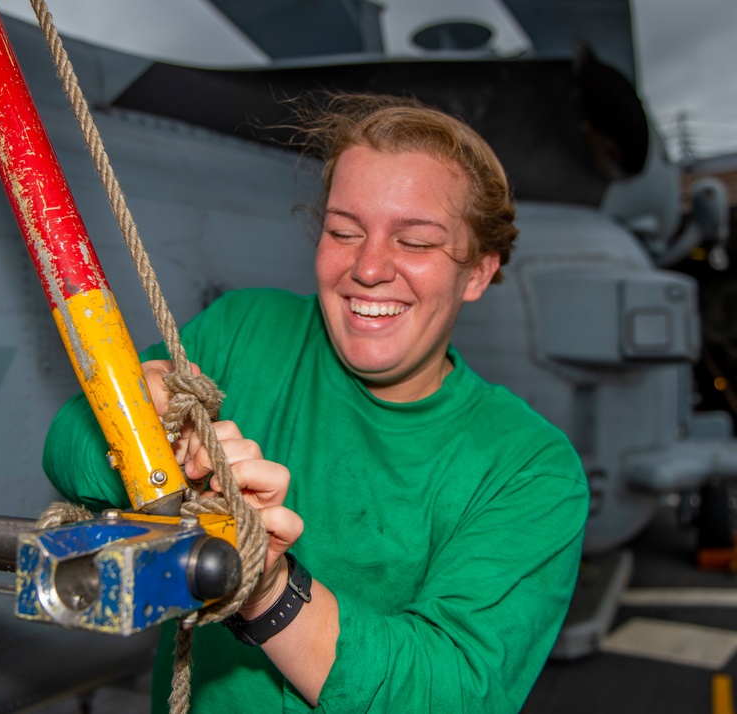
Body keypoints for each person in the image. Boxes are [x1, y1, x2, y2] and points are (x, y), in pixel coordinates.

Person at [43, 93, 589, 713]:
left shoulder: (529, 467)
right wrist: (155, 441)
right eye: (343, 231)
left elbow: (455, 691)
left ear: (478, 272)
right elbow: (67, 443)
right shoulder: (244, 330)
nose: (369, 267)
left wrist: (265, 584)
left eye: (414, 241)